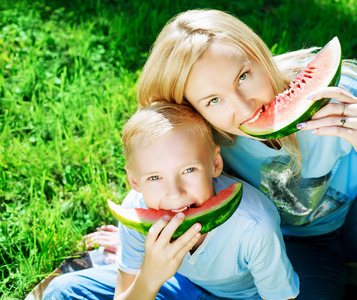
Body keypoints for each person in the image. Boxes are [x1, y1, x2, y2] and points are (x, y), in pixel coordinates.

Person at [43, 8, 357, 300]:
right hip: (288, 251)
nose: (243, 106)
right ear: (193, 113)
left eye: (244, 75)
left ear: (258, 53)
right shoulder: (209, 142)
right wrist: (144, 234)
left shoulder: (333, 95)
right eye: (214, 99)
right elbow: (163, 175)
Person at [114, 102, 299, 299]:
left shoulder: (255, 226)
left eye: (188, 170)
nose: (175, 193)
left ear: (215, 163)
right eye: (154, 177)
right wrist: (149, 277)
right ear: (134, 180)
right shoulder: (135, 212)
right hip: (175, 283)